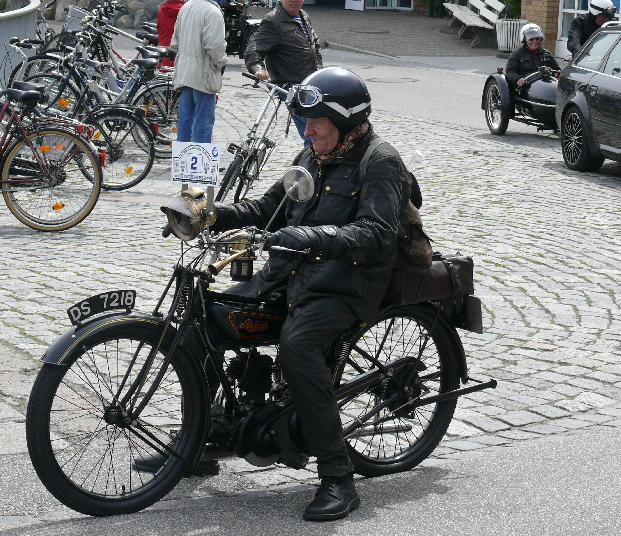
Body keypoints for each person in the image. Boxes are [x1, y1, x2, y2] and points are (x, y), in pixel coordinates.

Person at [211, 67, 413, 521]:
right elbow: (270, 208)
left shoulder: (380, 161)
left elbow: (378, 233)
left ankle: (337, 477)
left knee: (298, 348)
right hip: (292, 275)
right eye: (306, 123)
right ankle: (201, 440)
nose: (308, 130)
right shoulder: (314, 152)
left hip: (345, 284)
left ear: (344, 121)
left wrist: (313, 237)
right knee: (214, 314)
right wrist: (211, 214)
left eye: (316, 122)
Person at [244, 0, 322, 145]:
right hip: (290, 85)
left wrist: (319, 70)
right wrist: (258, 68)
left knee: (325, 128)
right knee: (313, 136)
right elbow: (253, 49)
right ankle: (313, 164)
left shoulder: (303, 15)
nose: (295, 1)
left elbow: (314, 45)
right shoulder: (273, 20)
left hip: (309, 83)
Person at [170, 0, 227, 143]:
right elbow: (215, 46)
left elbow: (174, 43)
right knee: (203, 120)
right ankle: (199, 161)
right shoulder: (212, 12)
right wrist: (221, 62)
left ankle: (183, 162)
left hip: (185, 70)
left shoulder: (186, 7)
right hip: (203, 71)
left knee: (185, 119)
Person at [506, 24, 560, 89]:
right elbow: (510, 71)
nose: (535, 41)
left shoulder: (546, 53)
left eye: (537, 39)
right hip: (526, 85)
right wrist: (518, 80)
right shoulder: (517, 54)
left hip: (547, 83)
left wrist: (558, 74)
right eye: (531, 39)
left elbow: (557, 69)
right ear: (525, 40)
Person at [156, 0, 185, 68]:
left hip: (164, 51)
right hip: (181, 53)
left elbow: (159, 30)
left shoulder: (161, 12)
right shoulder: (187, 13)